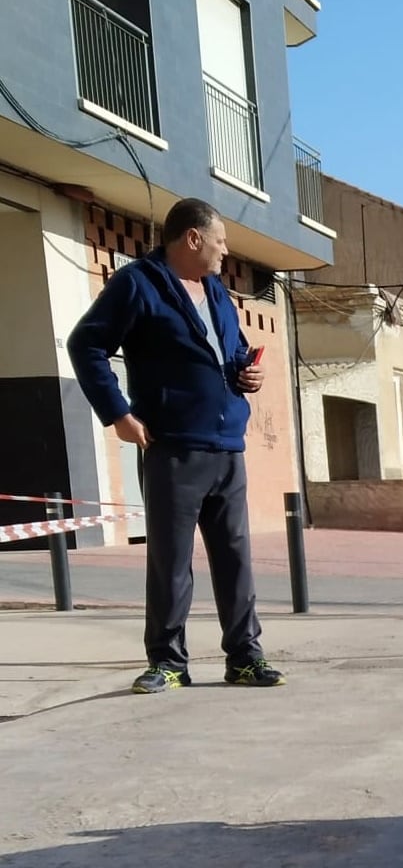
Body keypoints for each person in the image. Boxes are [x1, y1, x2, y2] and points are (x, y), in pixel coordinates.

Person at [68, 199, 283, 694]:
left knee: (235, 560)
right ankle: (168, 662)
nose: (225, 251)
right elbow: (86, 345)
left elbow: (231, 351)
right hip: (174, 448)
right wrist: (118, 413)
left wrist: (246, 371)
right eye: (220, 241)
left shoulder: (217, 292)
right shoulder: (137, 284)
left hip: (227, 447)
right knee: (171, 562)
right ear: (193, 238)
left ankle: (245, 658)